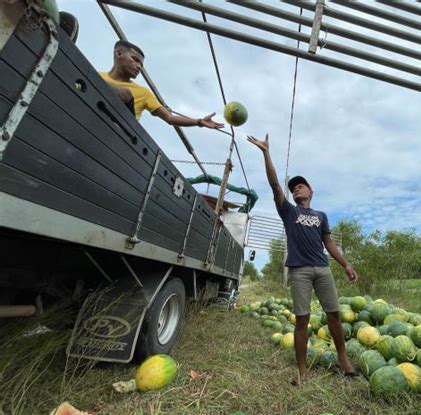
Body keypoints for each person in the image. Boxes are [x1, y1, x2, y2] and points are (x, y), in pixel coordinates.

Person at [247, 133, 359, 385]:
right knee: (302, 320)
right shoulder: (288, 211)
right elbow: (276, 186)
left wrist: (346, 263)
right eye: (293, 187)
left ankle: (343, 359)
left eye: (300, 185)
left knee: (334, 315)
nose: (295, 188)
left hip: (323, 269)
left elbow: (328, 243)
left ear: (310, 190)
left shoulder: (321, 215)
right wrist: (266, 152)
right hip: (299, 271)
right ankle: (301, 370)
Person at [99, 40, 224, 129]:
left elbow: (170, 118)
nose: (139, 67)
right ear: (119, 54)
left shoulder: (143, 93)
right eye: (135, 60)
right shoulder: (96, 75)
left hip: (119, 130)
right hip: (92, 116)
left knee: (125, 93)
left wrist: (199, 122)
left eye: (141, 65)